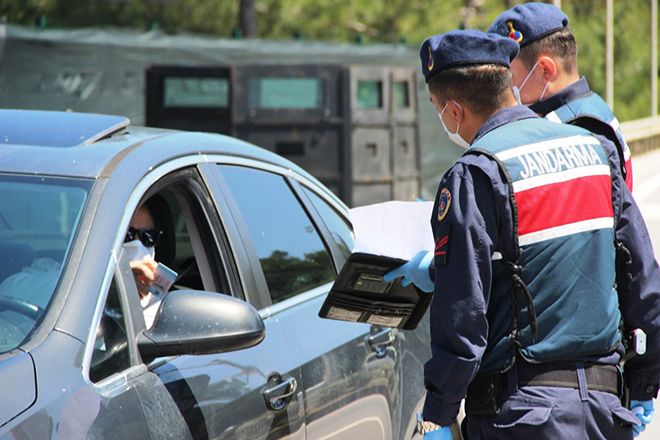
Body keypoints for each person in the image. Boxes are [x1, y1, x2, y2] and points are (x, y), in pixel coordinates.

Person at [384, 29, 660, 439]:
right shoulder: (593, 150)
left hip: (521, 417)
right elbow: (643, 282)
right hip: (605, 411)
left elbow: (463, 319)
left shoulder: (475, 174)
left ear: (454, 112)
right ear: (508, 87)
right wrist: (644, 382)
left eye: (437, 109)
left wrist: (438, 415)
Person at [488, 2, 634, 192]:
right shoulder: (592, 107)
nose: (506, 88)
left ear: (545, 70)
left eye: (510, 78)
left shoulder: (577, 130)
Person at [123, 194, 176, 327]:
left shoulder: (167, 309)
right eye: (127, 235)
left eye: (148, 236)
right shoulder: (86, 287)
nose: (137, 244)